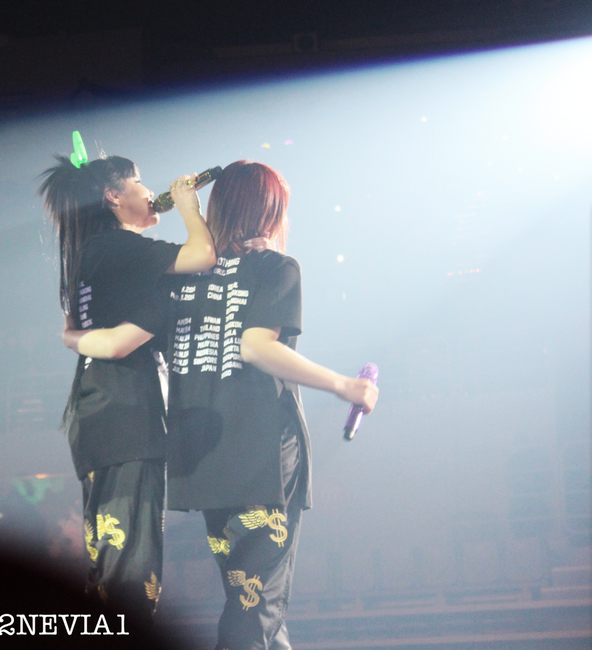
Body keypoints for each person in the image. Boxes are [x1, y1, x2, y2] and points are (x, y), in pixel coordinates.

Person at [65, 160, 378, 650]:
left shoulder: (178, 280)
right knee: (255, 613)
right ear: (271, 212)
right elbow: (256, 347)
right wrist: (343, 386)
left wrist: (70, 335)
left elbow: (120, 341)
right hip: (265, 460)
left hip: (205, 467)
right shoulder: (276, 268)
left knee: (255, 608)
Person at [39, 138, 216, 621]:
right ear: (113, 196)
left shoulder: (91, 254)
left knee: (110, 562)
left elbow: (79, 332)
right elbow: (202, 255)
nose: (148, 190)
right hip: (128, 418)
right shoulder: (120, 248)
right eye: (138, 181)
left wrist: (73, 338)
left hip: (97, 414)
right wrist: (188, 206)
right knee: (130, 570)